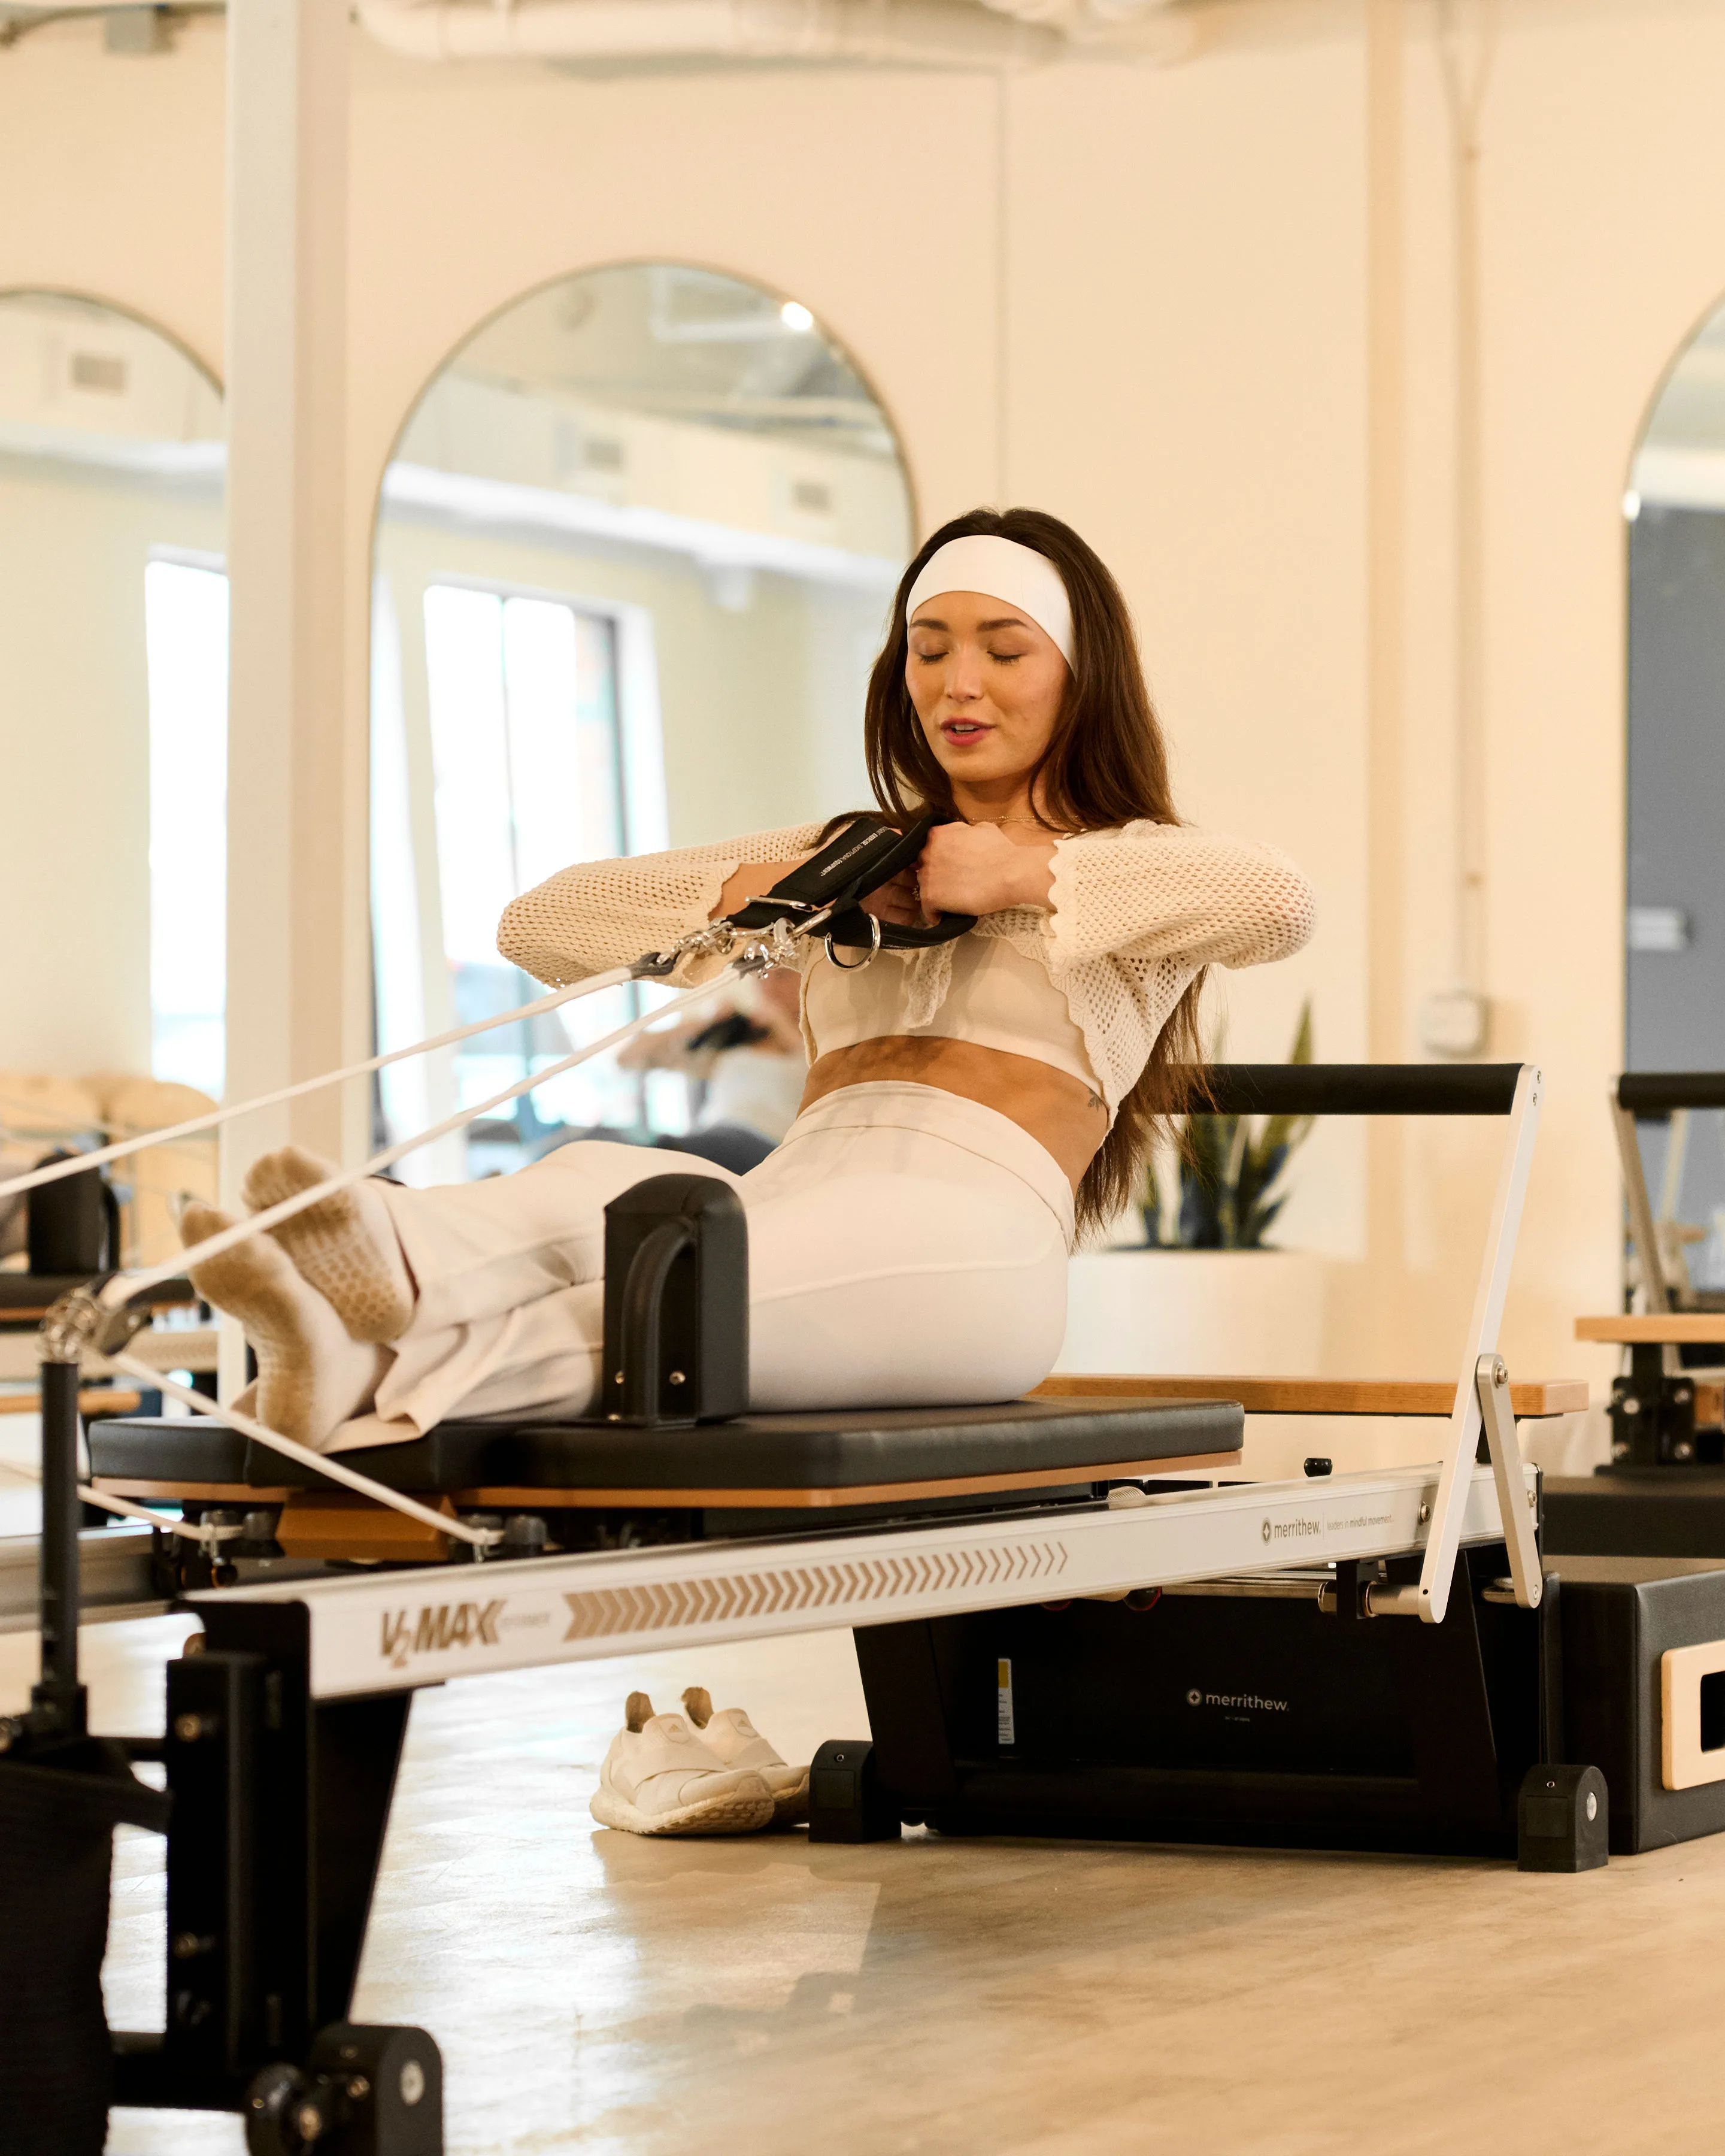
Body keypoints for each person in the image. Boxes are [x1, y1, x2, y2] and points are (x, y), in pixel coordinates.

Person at [182, 507, 1315, 1455]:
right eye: (930, 649)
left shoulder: (1131, 866)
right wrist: (768, 888)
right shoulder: (849, 853)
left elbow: (1279, 902)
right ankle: (370, 1280)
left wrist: (1022, 868)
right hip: (796, 1189)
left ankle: (367, 1362)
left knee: (681, 1288)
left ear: (1078, 675)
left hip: (974, 1240)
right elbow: (541, 924)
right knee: (601, 1179)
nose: (959, 683)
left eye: (1003, 650)